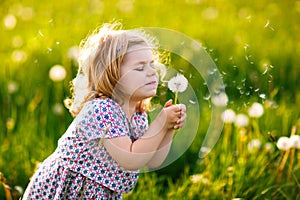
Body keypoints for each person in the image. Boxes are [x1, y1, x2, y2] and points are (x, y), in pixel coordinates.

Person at [22, 22, 186, 199]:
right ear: (112, 74)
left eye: (151, 65)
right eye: (139, 67)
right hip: (72, 188)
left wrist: (167, 128)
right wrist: (160, 122)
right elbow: (130, 159)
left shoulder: (138, 115)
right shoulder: (101, 110)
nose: (152, 72)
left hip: (98, 191)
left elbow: (153, 160)